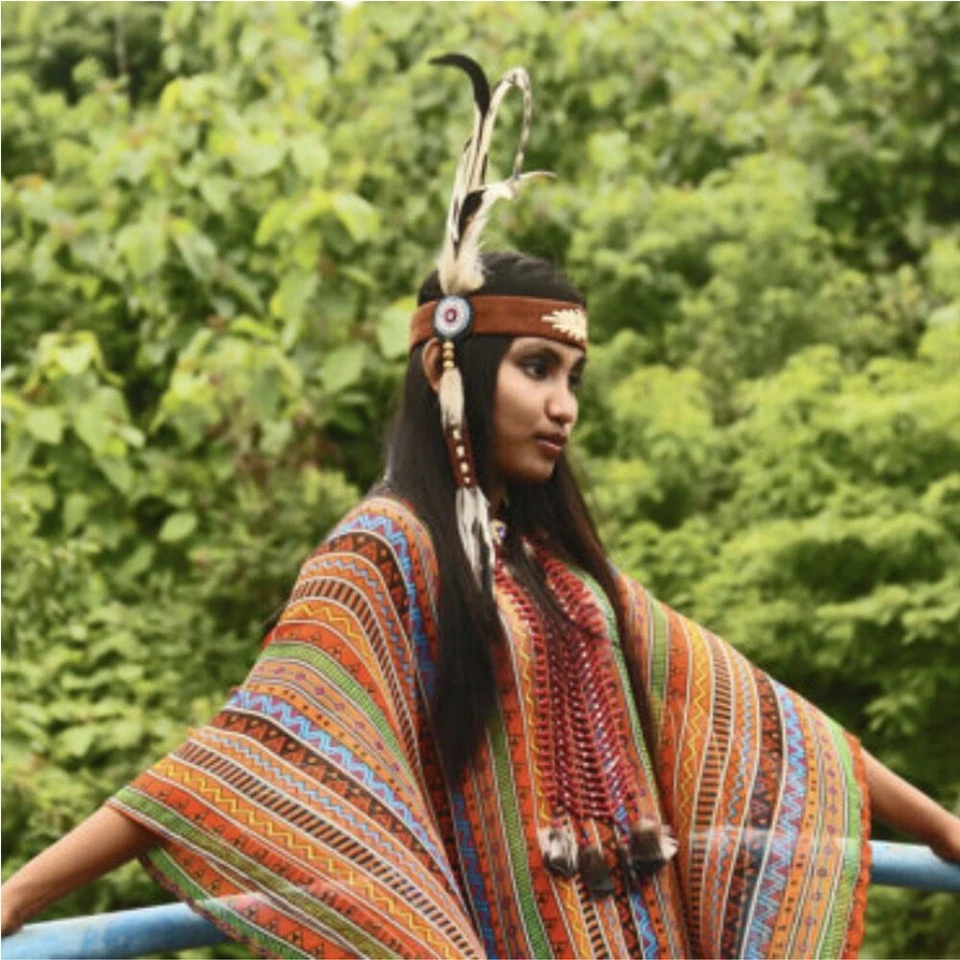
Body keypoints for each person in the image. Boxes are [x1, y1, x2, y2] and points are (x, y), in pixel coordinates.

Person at [3, 54, 959, 960]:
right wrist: (15, 898)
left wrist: (944, 830)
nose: (564, 406)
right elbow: (240, 760)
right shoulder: (386, 551)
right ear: (445, 367)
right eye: (538, 369)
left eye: (574, 377)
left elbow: (767, 727)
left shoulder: (560, 570)